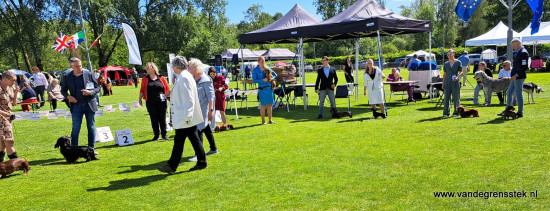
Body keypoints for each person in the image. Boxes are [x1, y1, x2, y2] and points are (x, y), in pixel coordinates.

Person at [158, 56, 207, 174]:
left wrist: (188, 116)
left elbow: (189, 99)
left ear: (175, 66)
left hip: (185, 117)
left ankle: (172, 166)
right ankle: (201, 162)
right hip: (184, 116)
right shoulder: (184, 76)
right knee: (193, 140)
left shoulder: (184, 77)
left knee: (180, 142)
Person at [61, 57, 101, 155]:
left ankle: (91, 149)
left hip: (89, 104)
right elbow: (63, 90)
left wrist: (90, 92)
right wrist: (68, 96)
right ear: (71, 67)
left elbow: (98, 88)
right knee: (76, 128)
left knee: (91, 127)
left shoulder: (88, 74)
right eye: (77, 66)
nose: (80, 68)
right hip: (76, 106)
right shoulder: (67, 76)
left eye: (80, 65)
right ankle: (74, 150)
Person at [188, 58, 218, 162]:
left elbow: (211, 96)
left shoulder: (205, 79)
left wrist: (210, 111)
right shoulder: (192, 78)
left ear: (196, 68)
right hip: (196, 108)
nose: (188, 68)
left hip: (204, 109)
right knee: (206, 128)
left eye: (190, 66)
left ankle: (198, 154)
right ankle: (213, 148)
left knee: (198, 130)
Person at [139, 62, 170, 141]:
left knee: (162, 118)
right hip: (150, 102)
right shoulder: (145, 79)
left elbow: (167, 88)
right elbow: (142, 90)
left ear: (153, 68)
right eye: (146, 68)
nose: (147, 69)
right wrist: (140, 99)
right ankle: (156, 135)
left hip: (162, 101)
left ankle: (164, 134)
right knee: (154, 118)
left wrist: (169, 97)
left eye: (148, 67)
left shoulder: (161, 78)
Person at [503, 39, 529, 117]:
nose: (513, 47)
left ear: (519, 44)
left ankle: (520, 112)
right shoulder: (519, 52)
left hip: (519, 77)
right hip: (515, 77)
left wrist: (516, 75)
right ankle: (507, 110)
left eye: (513, 46)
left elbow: (524, 66)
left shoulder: (523, 52)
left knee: (518, 94)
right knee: (509, 92)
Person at [0, 71, 20, 162]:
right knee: (9, 141)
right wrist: (7, 114)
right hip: (2, 119)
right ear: (5, 79)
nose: (14, 82)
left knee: (2, 143)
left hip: (8, 119)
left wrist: (15, 93)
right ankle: (17, 164)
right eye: (13, 80)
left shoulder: (9, 88)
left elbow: (14, 103)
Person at [253, 56, 277, 124]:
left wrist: (271, 79)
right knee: (263, 105)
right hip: (262, 89)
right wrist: (262, 80)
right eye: (262, 61)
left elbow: (275, 75)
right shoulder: (255, 70)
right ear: (258, 62)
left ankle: (270, 120)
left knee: (270, 105)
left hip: (269, 88)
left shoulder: (267, 68)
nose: (263, 62)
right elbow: (254, 80)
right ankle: (263, 121)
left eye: (264, 61)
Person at [442, 49, 463, 117]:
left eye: (450, 54)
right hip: (447, 81)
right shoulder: (446, 64)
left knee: (456, 97)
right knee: (446, 97)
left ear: (453, 54)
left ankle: (456, 112)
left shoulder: (458, 62)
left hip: (455, 81)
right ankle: (446, 113)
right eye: (448, 54)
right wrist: (443, 83)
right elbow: (444, 74)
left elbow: (461, 72)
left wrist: (457, 77)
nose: (449, 56)